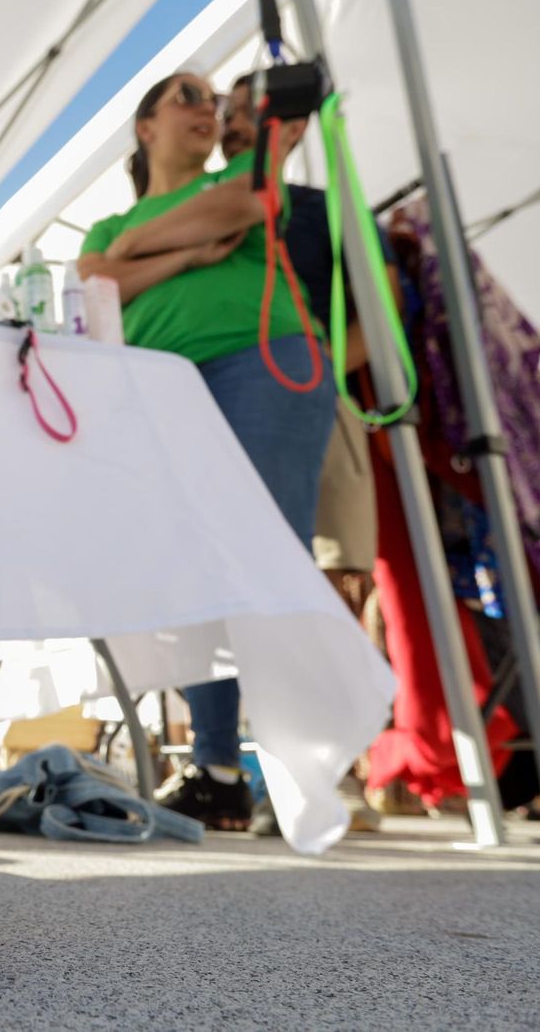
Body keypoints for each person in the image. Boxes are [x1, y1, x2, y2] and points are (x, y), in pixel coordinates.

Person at [78, 72, 336, 830]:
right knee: (194, 575)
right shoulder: (105, 228)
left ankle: (310, 767)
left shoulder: (240, 172)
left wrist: (137, 250)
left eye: (213, 101)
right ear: (145, 126)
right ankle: (218, 770)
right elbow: (96, 281)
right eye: (186, 96)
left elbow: (242, 206)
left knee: (271, 559)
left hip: (261, 362)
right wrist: (187, 254)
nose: (208, 108)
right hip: (156, 390)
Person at [218, 73, 397, 834]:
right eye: (226, 114)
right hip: (221, 406)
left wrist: (319, 375)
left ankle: (330, 768)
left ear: (289, 127)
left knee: (327, 581)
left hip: (309, 401)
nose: (233, 125)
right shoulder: (211, 211)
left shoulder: (327, 210)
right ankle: (231, 771)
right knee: (227, 589)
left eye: (249, 113)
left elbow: (381, 309)